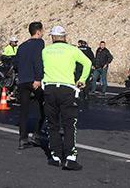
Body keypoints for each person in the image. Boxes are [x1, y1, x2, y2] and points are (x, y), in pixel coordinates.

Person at [41, 25, 91, 171]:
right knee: (69, 124)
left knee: (52, 123)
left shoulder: (45, 51)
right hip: (67, 90)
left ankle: (55, 156)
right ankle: (70, 157)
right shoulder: (72, 49)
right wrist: (82, 79)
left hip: (49, 88)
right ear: (65, 37)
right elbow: (87, 63)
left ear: (52, 37)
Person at [14, 22, 45, 150]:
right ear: (38, 32)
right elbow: (38, 60)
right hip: (34, 80)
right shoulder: (40, 43)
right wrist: (38, 78)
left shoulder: (21, 46)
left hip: (23, 81)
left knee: (24, 110)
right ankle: (36, 135)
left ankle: (22, 138)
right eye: (42, 30)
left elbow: (16, 63)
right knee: (42, 106)